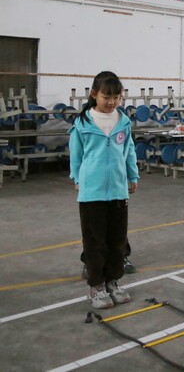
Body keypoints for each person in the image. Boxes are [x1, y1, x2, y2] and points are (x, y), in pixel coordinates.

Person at [69, 71, 138, 309]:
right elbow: (76, 154)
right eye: (106, 97)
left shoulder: (123, 121)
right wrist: (77, 178)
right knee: (95, 242)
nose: (111, 102)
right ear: (94, 94)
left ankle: (113, 282)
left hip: (118, 191)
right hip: (92, 192)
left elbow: (129, 151)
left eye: (116, 98)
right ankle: (96, 286)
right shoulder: (83, 123)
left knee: (117, 241)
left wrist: (132, 175)